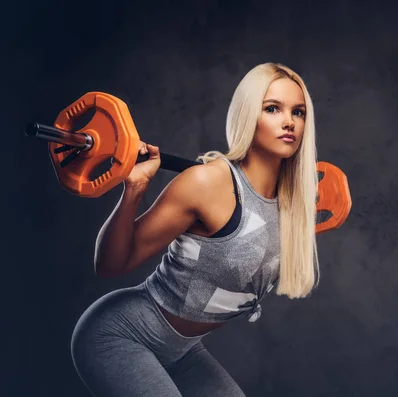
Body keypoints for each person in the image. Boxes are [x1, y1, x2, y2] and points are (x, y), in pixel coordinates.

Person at [70, 62, 320, 396]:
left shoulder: (291, 206)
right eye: (272, 108)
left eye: (298, 112)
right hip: (121, 335)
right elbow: (110, 266)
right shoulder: (206, 183)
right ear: (248, 114)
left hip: (182, 351)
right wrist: (134, 190)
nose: (289, 121)